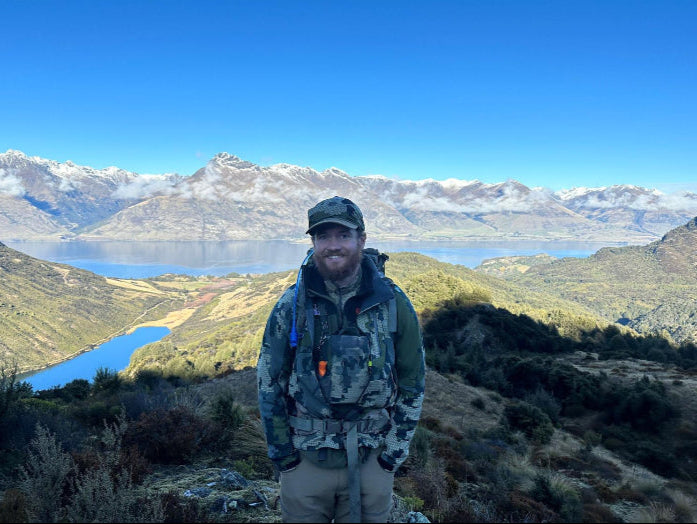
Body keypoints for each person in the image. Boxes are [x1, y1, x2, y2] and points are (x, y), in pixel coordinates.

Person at [257, 196, 425, 523]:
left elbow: (413, 382)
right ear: (314, 243)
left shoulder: (392, 303)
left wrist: (391, 456)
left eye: (343, 235)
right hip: (305, 459)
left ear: (361, 239)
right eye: (323, 236)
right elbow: (269, 381)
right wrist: (284, 457)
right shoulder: (292, 305)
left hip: (371, 458)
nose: (333, 245)